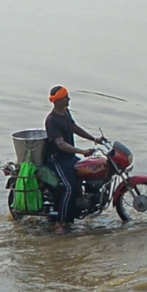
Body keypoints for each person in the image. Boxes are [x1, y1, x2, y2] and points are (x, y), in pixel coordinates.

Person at [43, 84, 95, 228]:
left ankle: (78, 209)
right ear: (59, 99)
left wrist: (94, 139)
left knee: (86, 173)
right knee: (69, 188)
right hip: (58, 159)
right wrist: (81, 151)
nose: (69, 99)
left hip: (69, 158)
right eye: (66, 97)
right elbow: (60, 144)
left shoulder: (66, 113)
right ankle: (60, 222)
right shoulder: (51, 120)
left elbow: (75, 128)